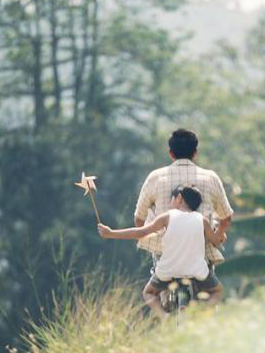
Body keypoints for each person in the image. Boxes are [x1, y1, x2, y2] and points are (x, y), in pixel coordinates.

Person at [98, 185, 223, 320]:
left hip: (168, 271)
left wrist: (111, 233)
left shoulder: (167, 217)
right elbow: (216, 242)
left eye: (171, 199)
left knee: (148, 293)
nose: (169, 204)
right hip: (196, 271)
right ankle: (198, 313)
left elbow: (141, 232)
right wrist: (219, 233)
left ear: (179, 198)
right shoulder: (202, 220)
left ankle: (164, 317)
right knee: (217, 291)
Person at [134, 128, 234, 269]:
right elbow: (226, 218)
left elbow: (139, 218)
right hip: (201, 251)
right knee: (209, 282)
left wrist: (146, 237)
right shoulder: (210, 178)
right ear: (195, 153)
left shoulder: (155, 177)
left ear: (171, 153)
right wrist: (218, 234)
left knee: (157, 282)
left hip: (165, 252)